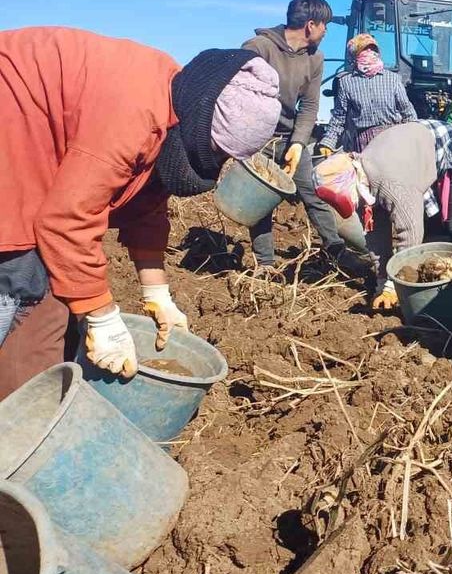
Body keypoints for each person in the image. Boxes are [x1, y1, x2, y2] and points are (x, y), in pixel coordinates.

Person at [0, 27, 282, 399]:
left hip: (35, 137)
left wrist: (157, 293)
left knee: (65, 293)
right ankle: (23, 423)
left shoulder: (175, 98)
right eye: (216, 151)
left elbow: (147, 201)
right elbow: (66, 222)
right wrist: (101, 317)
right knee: (31, 286)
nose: (216, 161)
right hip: (13, 123)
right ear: (200, 119)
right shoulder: (134, 112)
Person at [314, 120, 452, 310]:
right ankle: (441, 300)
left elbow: (410, 231)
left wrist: (394, 285)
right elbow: (375, 234)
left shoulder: (389, 181)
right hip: (424, 158)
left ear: (351, 182)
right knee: (432, 243)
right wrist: (382, 283)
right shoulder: (361, 180)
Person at [243, 0, 359, 273]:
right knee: (262, 202)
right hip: (257, 139)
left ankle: (336, 252)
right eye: (324, 25)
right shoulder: (259, 48)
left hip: (288, 137)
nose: (326, 30)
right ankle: (265, 265)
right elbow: (239, 95)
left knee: (314, 194)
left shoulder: (314, 59)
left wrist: (297, 143)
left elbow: (309, 106)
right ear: (311, 25)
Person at [318, 34, 417, 153]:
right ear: (355, 55)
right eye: (365, 49)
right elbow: (339, 118)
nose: (370, 52)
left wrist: (414, 138)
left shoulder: (393, 79)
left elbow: (407, 112)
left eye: (373, 49)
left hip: (392, 140)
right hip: (363, 145)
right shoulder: (346, 82)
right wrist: (327, 143)